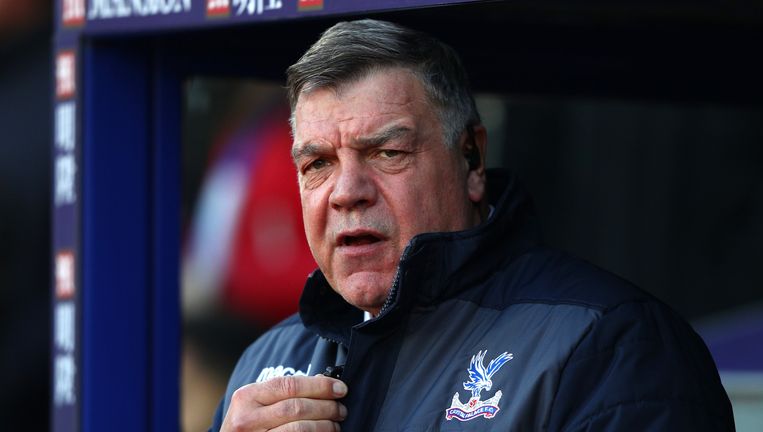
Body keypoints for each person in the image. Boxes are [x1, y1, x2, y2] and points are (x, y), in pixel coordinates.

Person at [209, 19, 734, 431]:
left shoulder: (612, 345)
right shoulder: (268, 360)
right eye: (317, 164)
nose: (347, 192)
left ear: (472, 159)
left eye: (388, 152)